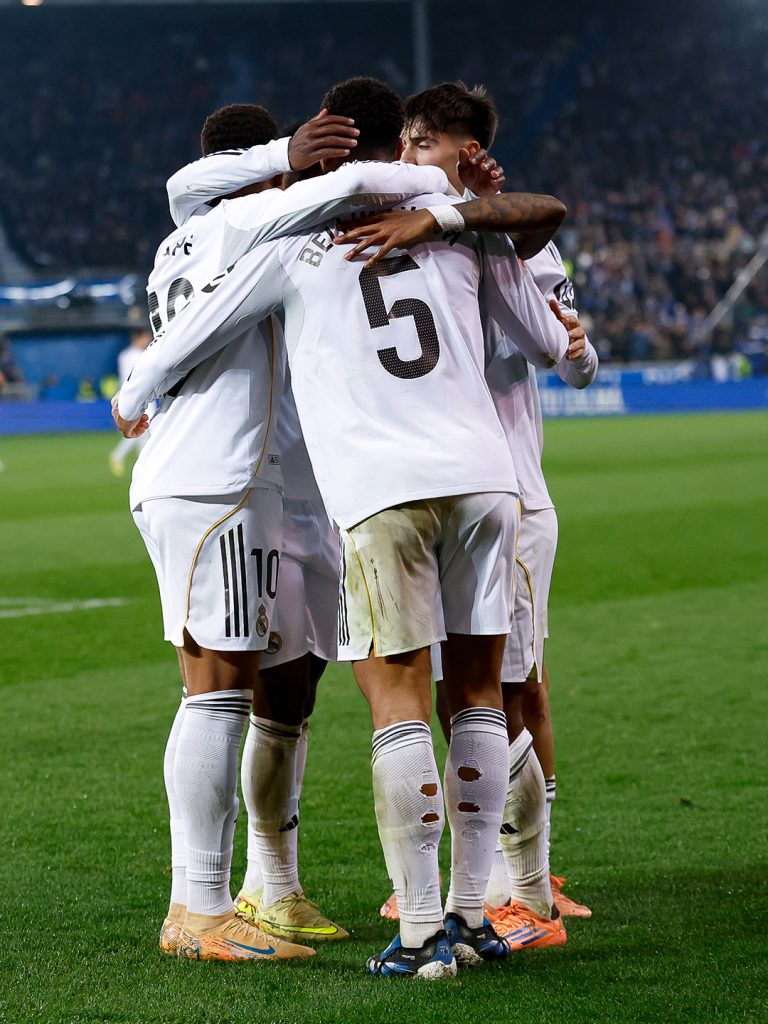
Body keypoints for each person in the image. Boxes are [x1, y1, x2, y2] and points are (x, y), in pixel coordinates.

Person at [115, 75, 570, 979]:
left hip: (368, 490)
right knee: (476, 694)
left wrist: (134, 390)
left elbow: (192, 327)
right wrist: (456, 204)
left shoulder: (283, 243)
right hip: (485, 482)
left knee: (380, 701)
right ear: (398, 146)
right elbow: (552, 332)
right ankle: (483, 909)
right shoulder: (454, 214)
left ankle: (420, 931)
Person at [116, 100, 434, 962]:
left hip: (241, 482)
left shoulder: (183, 236)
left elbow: (188, 187)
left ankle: (260, 889)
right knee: (216, 691)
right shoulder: (248, 222)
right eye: (288, 165)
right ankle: (200, 906)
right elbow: (361, 181)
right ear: (264, 170)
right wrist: (445, 188)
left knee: (259, 690)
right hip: (219, 477)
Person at [365, 81, 595, 939]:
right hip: (429, 489)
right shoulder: (385, 227)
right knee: (448, 691)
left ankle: (528, 884)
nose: (420, 161)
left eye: (440, 149)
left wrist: (491, 226)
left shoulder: (505, 237)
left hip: (506, 489)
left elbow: (572, 357)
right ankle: (479, 877)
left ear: (468, 155)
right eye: (418, 145)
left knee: (510, 687)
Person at [109, 329, 152, 477]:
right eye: (146, 337)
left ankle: (142, 466)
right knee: (141, 430)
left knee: (140, 433)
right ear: (138, 338)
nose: (148, 340)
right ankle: (119, 455)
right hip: (141, 397)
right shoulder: (141, 355)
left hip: (125, 396)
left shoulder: (124, 355)